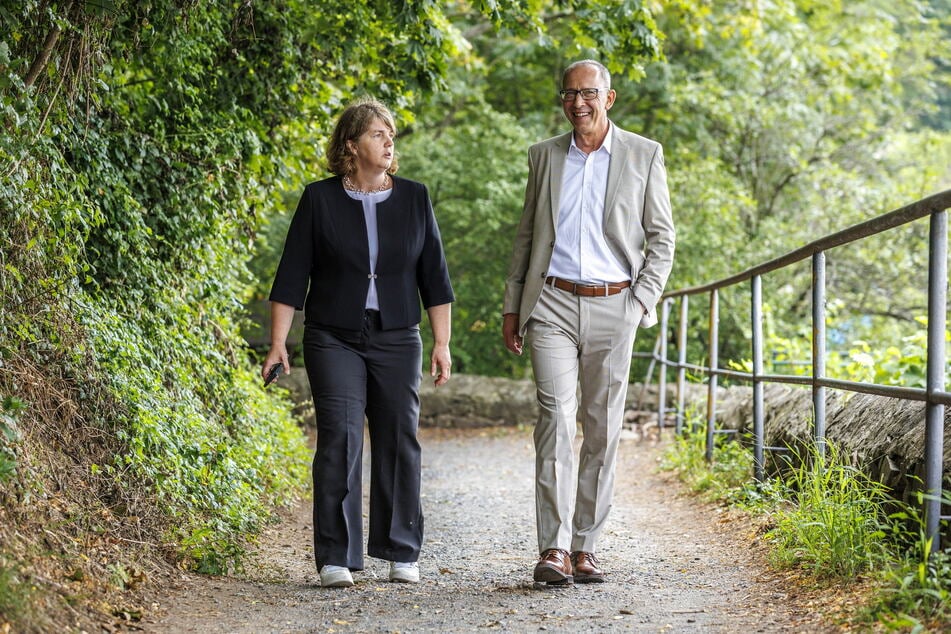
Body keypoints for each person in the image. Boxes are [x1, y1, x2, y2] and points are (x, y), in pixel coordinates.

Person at [263, 97, 454, 588]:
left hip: (397, 336)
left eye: (391, 135)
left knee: (397, 438)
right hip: (333, 336)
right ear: (351, 145)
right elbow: (291, 277)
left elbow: (435, 276)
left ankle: (401, 550)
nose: (389, 142)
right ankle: (335, 556)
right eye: (377, 134)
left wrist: (441, 342)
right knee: (340, 438)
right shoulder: (319, 199)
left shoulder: (415, 197)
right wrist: (278, 343)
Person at [502, 60, 675, 585]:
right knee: (554, 419)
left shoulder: (644, 154)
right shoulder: (544, 156)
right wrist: (513, 306)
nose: (579, 103)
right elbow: (527, 236)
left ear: (609, 97)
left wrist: (641, 303)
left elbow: (662, 239)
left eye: (589, 93)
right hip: (551, 302)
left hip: (614, 305)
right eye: (570, 94)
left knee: (601, 429)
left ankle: (586, 547)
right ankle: (552, 547)